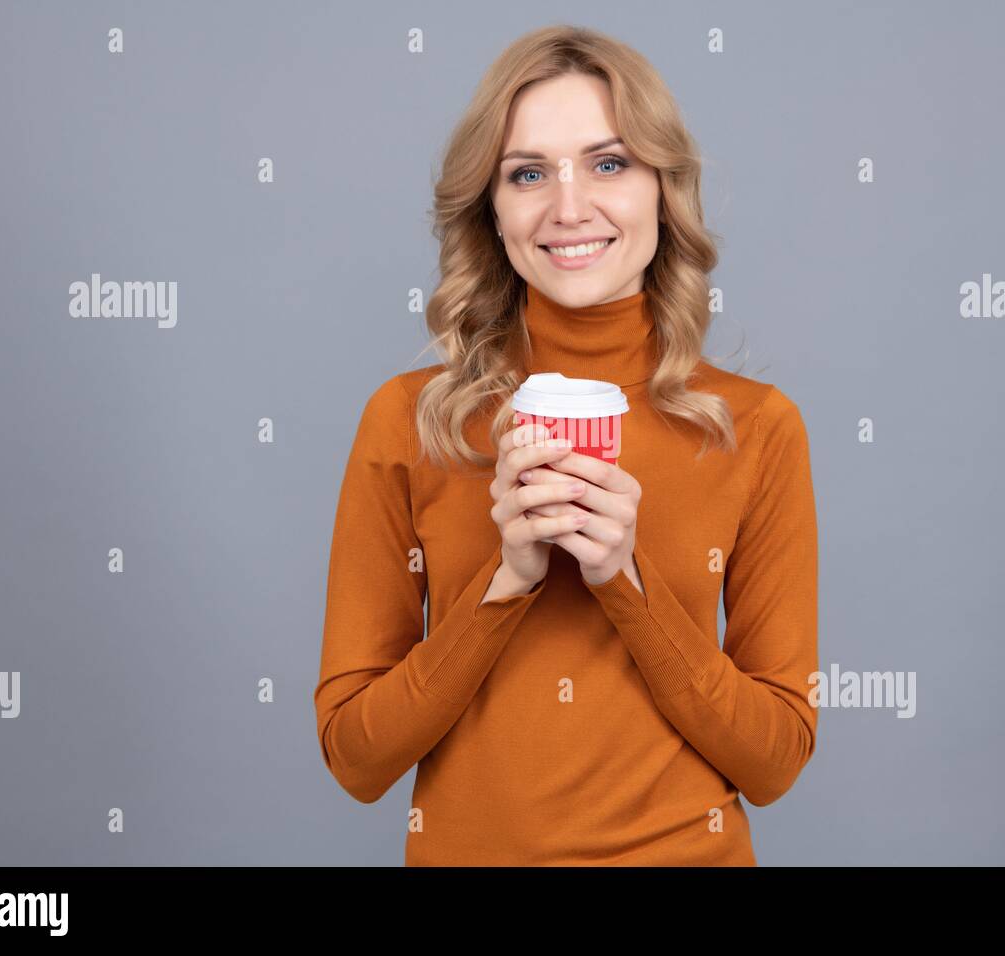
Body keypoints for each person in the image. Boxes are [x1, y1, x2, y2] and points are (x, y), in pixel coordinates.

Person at [314, 24, 818, 866]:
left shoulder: (754, 428)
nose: (570, 206)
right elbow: (357, 761)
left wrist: (625, 580)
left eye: (610, 163)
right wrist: (505, 581)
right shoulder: (410, 422)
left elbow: (774, 763)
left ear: (664, 188)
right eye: (529, 173)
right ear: (493, 208)